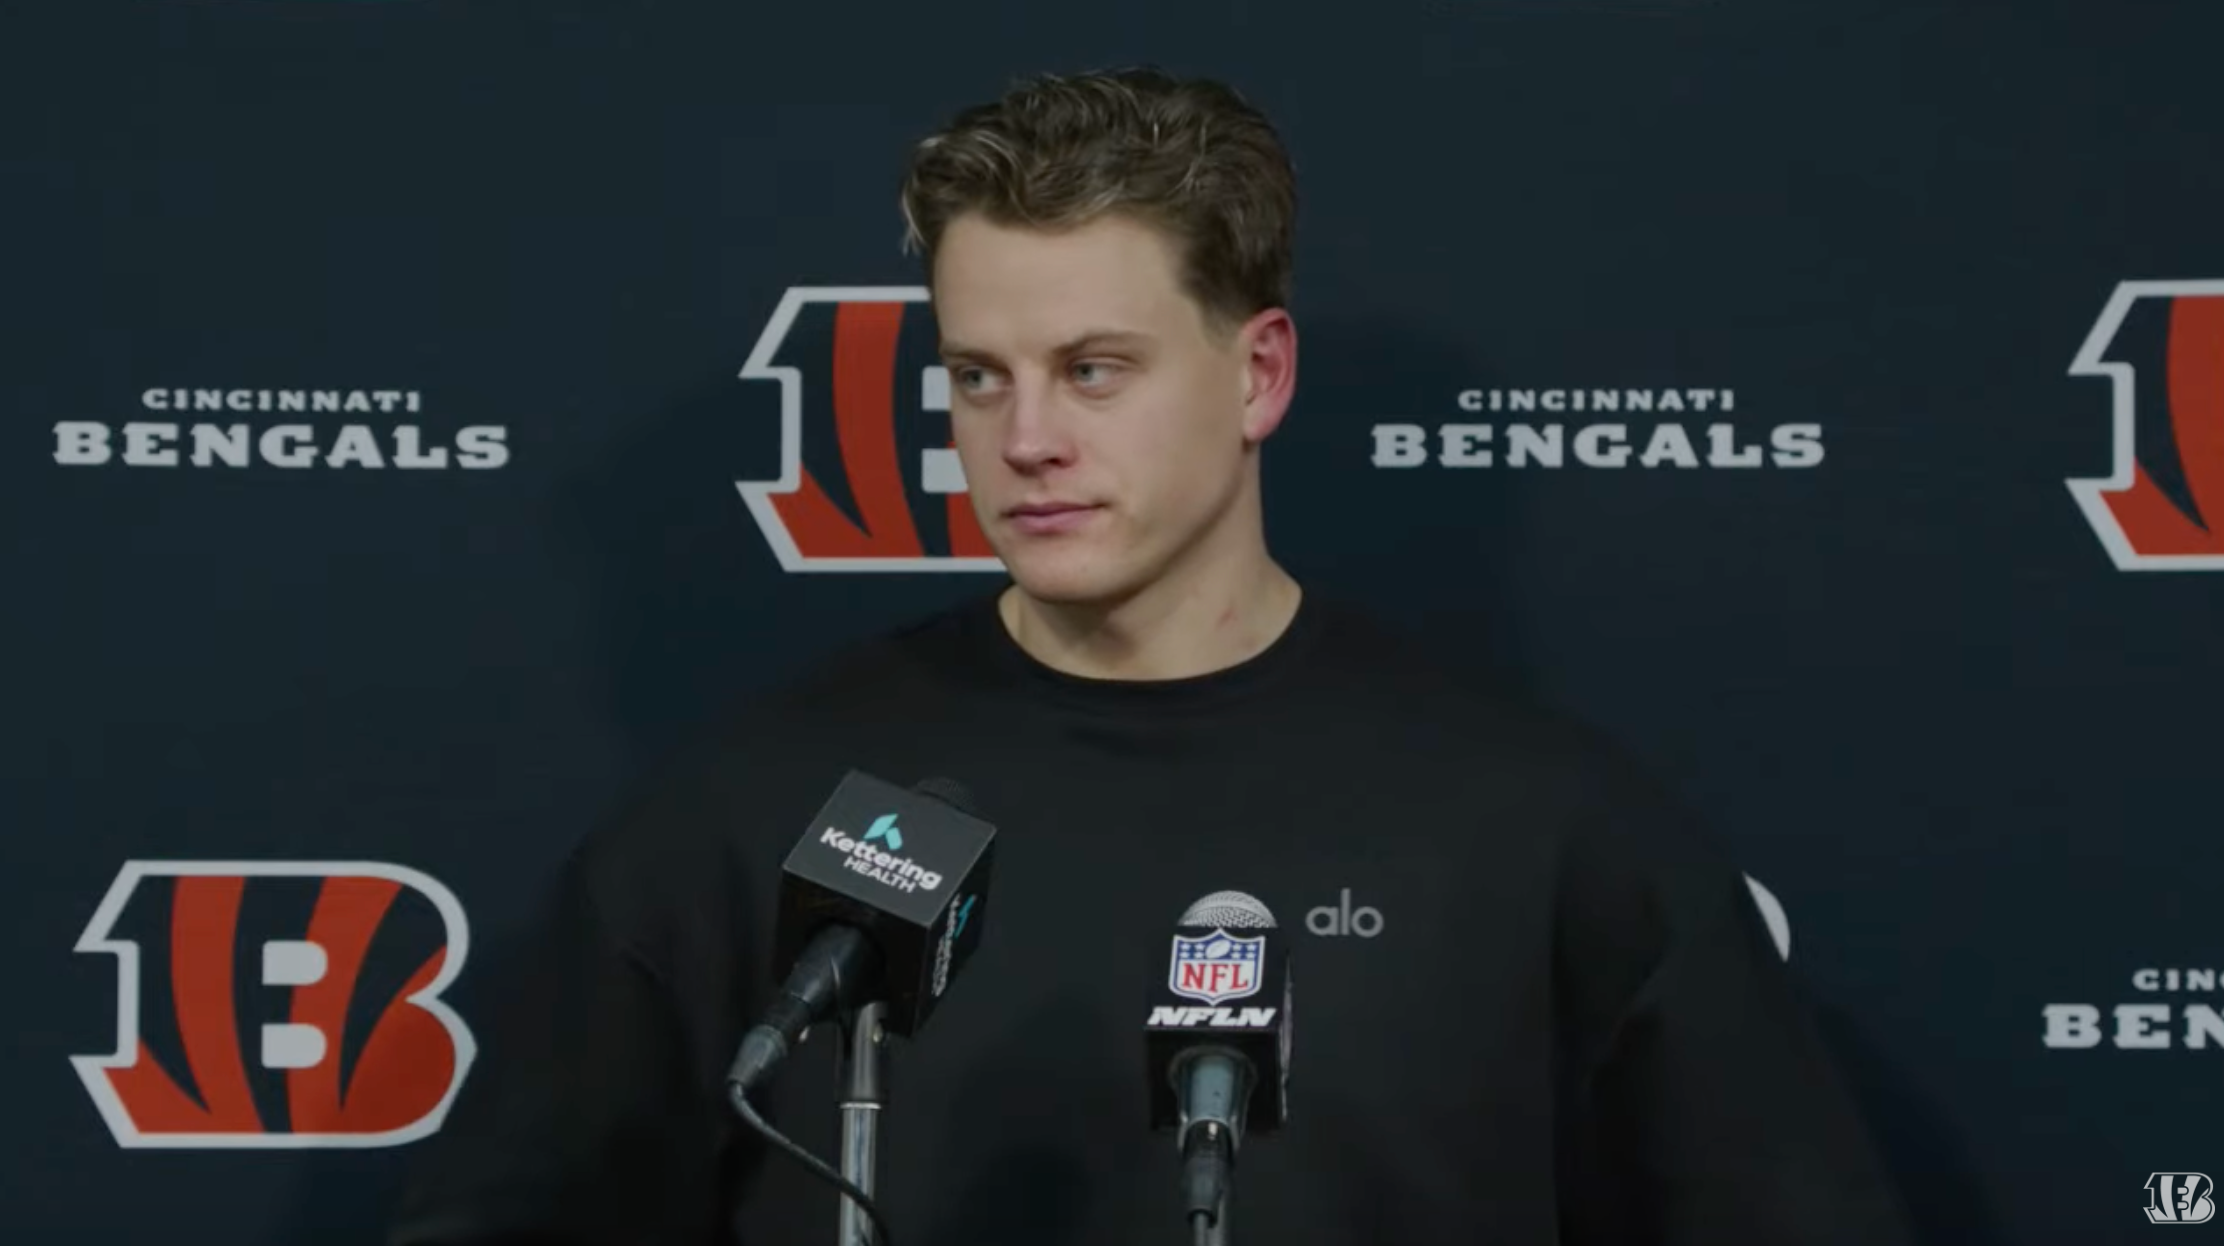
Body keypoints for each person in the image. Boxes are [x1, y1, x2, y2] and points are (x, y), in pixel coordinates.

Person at [385, 66, 1914, 1246]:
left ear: (1258, 373)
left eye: (1094, 370)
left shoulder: (1538, 823)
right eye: (978, 376)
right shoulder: (766, 807)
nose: (1026, 439)